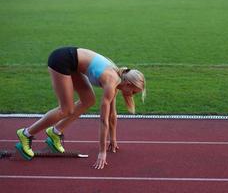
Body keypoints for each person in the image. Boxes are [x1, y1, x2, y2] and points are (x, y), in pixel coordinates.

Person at [15, 46, 146, 169]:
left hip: (73, 64)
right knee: (66, 109)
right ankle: (26, 133)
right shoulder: (112, 82)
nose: (132, 95)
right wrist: (102, 152)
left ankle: (55, 132)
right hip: (62, 60)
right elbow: (103, 120)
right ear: (128, 84)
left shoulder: (117, 80)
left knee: (88, 101)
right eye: (134, 92)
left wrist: (113, 139)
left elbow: (112, 114)